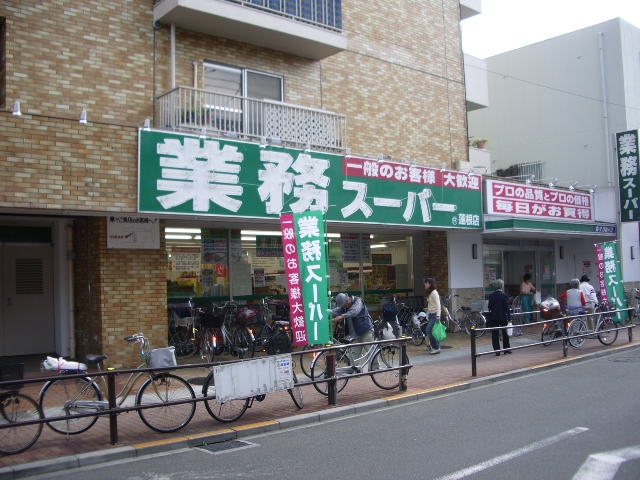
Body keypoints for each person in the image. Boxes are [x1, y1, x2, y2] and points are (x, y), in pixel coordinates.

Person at [331, 293, 376, 371]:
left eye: (344, 305)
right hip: (354, 334)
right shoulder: (345, 306)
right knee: (353, 353)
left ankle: (375, 369)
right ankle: (353, 370)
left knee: (370, 351)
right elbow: (336, 311)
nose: (344, 307)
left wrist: (342, 316)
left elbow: (354, 311)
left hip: (365, 330)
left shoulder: (358, 301)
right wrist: (326, 312)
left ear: (348, 300)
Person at [487, 279, 512, 356]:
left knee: (495, 334)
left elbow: (489, 307)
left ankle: (497, 351)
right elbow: (506, 308)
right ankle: (506, 349)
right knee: (505, 333)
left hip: (493, 317)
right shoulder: (504, 295)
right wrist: (509, 319)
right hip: (502, 317)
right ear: (501, 286)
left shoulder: (491, 296)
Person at [423, 278, 442, 354]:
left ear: (429, 284)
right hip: (431, 314)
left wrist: (438, 316)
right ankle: (437, 346)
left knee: (428, 330)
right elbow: (431, 304)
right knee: (434, 331)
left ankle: (436, 347)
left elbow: (438, 305)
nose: (425, 284)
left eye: (426, 283)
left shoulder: (434, 292)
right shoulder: (430, 292)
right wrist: (427, 312)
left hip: (435, 315)